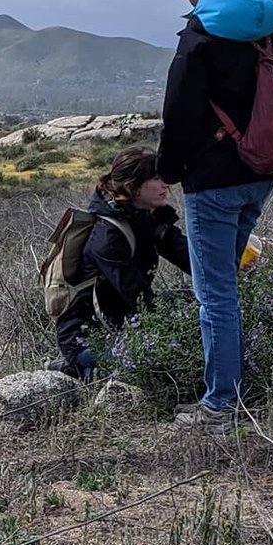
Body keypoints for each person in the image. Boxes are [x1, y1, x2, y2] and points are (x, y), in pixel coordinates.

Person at [157, 0, 273, 434]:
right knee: (225, 285)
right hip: (261, 169)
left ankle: (220, 407)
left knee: (214, 294)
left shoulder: (200, 32)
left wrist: (167, 171)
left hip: (212, 180)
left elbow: (180, 112)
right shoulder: (269, 24)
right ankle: (231, 392)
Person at [49, 145, 190, 380]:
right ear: (131, 187)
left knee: (192, 303)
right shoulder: (108, 236)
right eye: (156, 178)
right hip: (88, 335)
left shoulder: (145, 218)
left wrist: (227, 266)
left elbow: (184, 253)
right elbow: (139, 299)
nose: (166, 184)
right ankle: (76, 366)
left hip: (122, 322)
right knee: (155, 368)